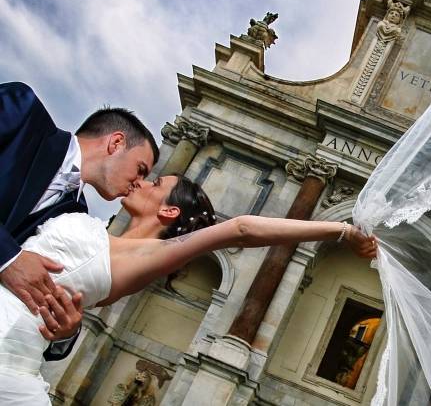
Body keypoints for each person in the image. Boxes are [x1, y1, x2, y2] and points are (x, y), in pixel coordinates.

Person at [0, 173, 377, 405]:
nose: (144, 182)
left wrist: (341, 230)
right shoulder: (96, 229)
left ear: (168, 212)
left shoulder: (146, 257)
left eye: (155, 183)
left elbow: (241, 229)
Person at [0, 82, 159, 360]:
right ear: (116, 142)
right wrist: (8, 258)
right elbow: (16, 266)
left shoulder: (75, 222)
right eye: (141, 169)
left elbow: (36, 301)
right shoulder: (21, 109)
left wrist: (65, 334)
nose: (139, 184)